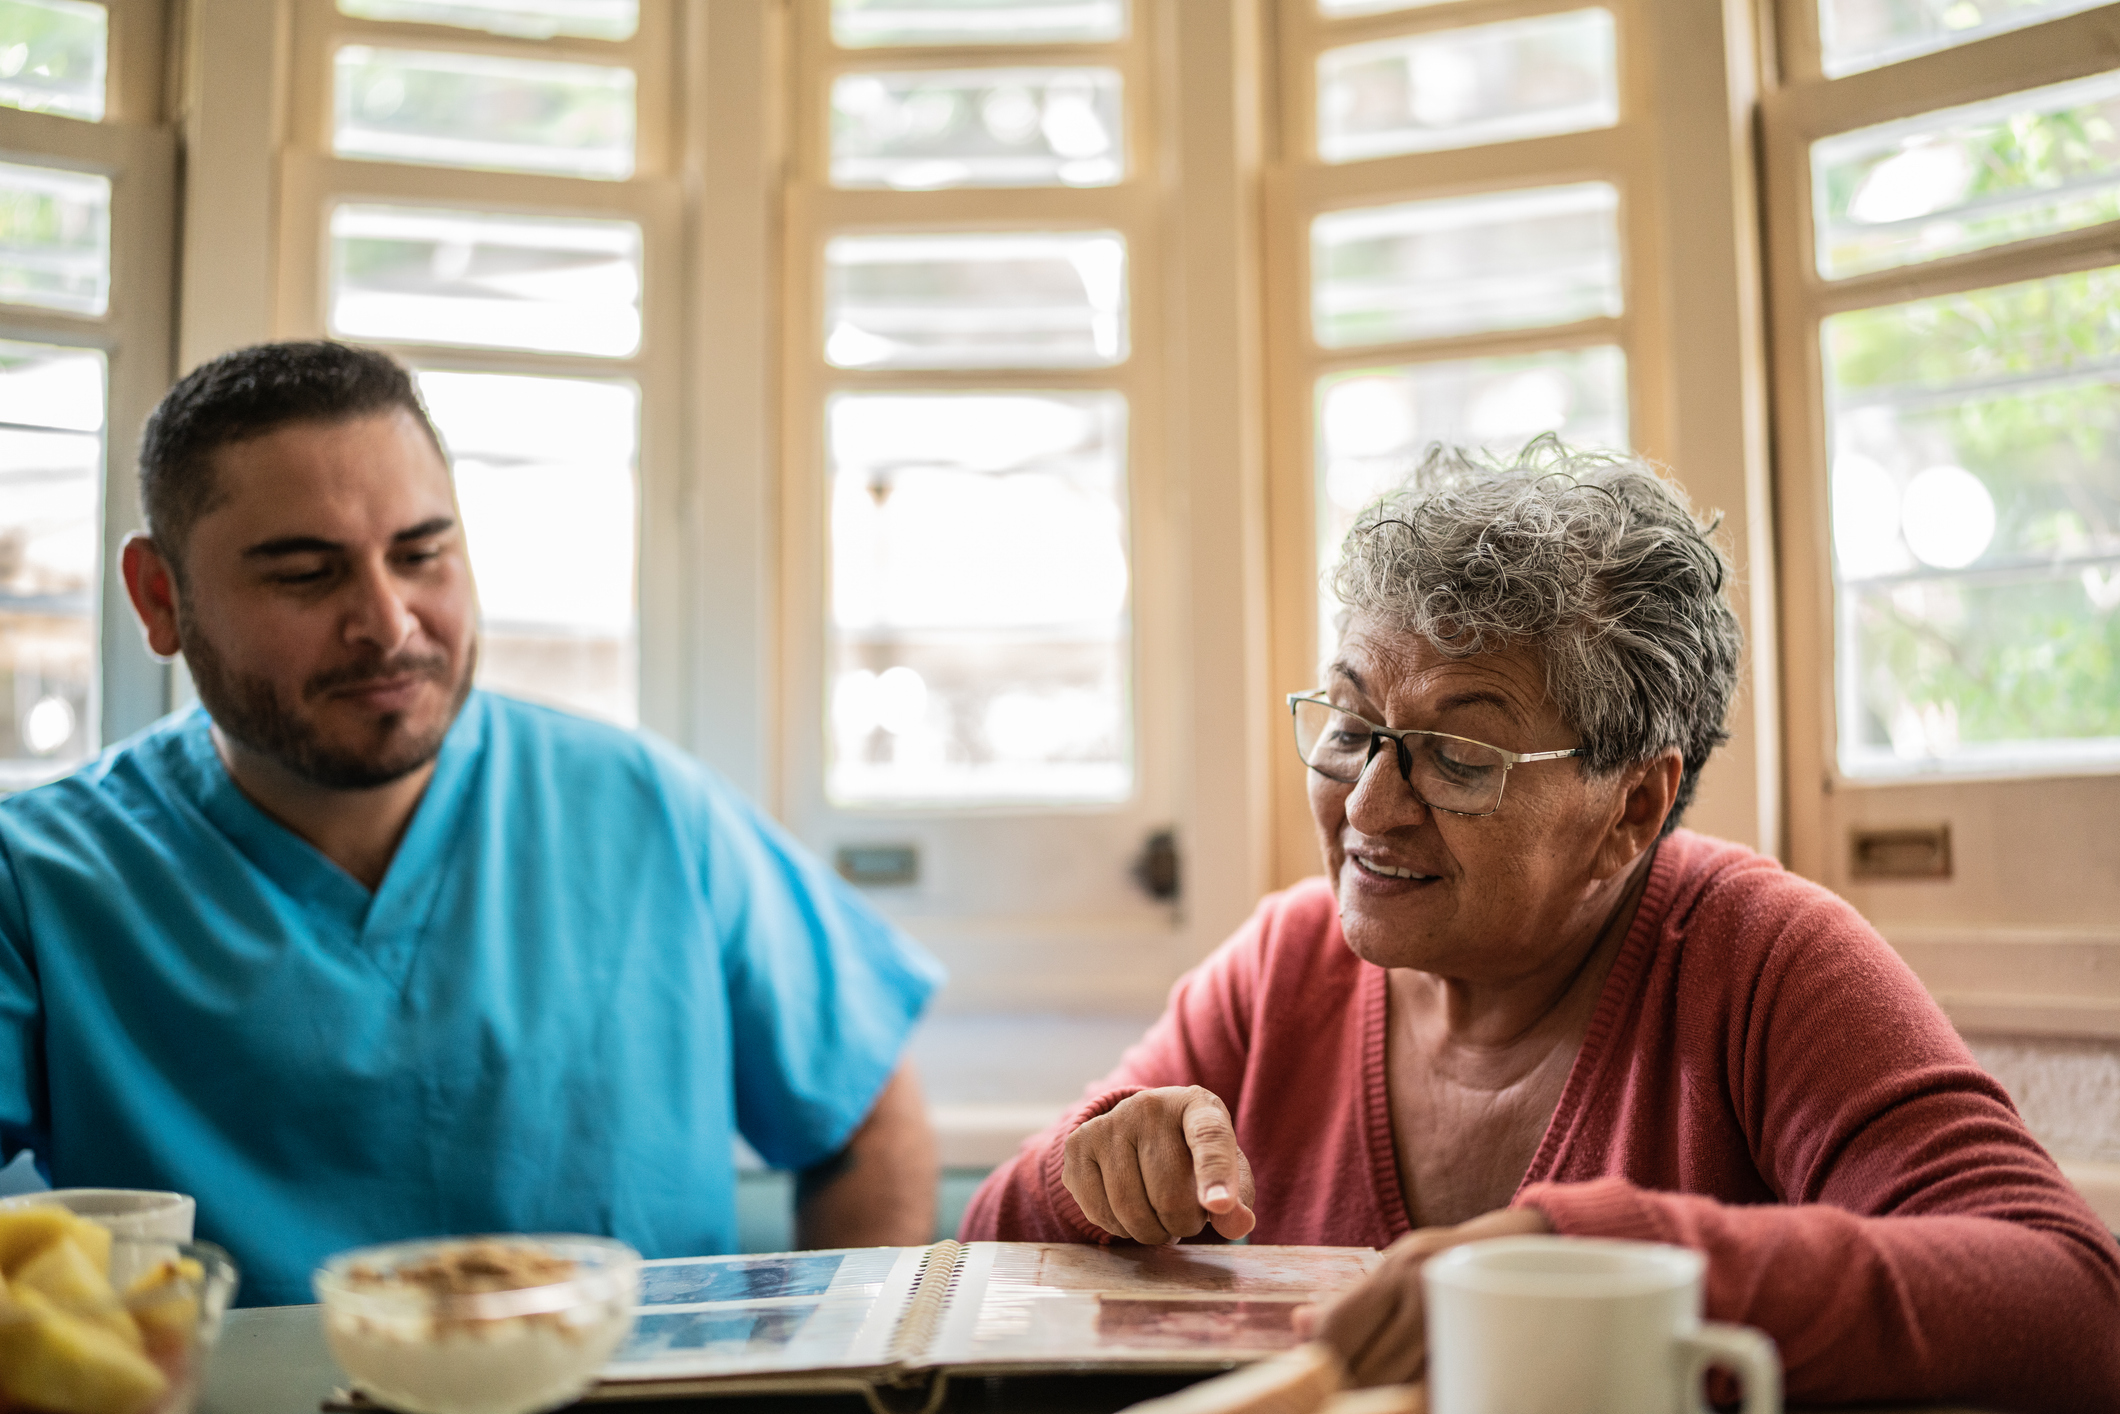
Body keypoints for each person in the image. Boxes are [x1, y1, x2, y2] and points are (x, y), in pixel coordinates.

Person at [961, 441, 2120, 1410]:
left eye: (1459, 753)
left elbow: (2069, 1297)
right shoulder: (1283, 964)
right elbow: (982, 1248)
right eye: (1352, 723)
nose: (1368, 800)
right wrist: (1089, 1174)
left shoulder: (1758, 959)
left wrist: (1605, 1259)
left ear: (1630, 808)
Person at [0, 341, 945, 1306]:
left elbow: (867, 1125)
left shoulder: (645, 807)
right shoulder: (39, 883)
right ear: (162, 597)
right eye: (304, 574)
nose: (389, 622)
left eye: (421, 555)